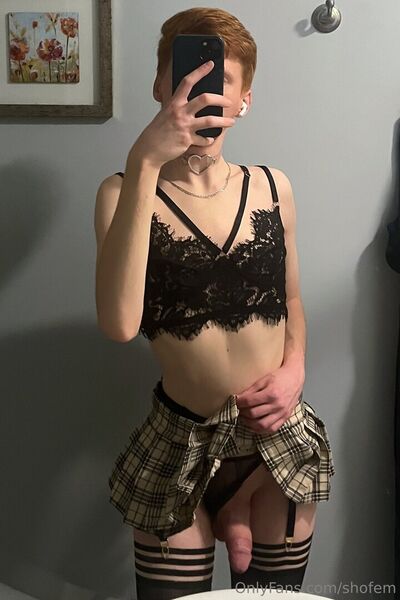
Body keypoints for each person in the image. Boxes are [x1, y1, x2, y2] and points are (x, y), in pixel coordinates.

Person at [95, 7, 335, 599]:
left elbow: (292, 299)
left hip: (275, 439)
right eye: (185, 74)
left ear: (243, 99)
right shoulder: (121, 192)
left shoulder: (273, 187)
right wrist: (144, 160)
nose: (199, 90)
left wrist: (296, 369)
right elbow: (120, 324)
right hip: (178, 444)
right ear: (159, 85)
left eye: (218, 80)